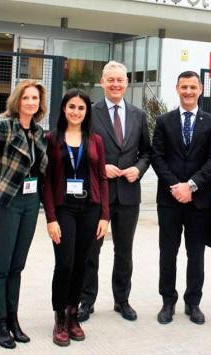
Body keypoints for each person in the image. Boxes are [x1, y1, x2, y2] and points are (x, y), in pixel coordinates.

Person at [78, 61, 151, 323]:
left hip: (129, 195)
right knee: (91, 250)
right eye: (111, 80)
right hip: (98, 195)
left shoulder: (138, 114)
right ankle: (86, 301)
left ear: (127, 82)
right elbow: (81, 148)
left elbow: (147, 152)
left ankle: (122, 300)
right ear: (102, 81)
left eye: (120, 80)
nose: (116, 84)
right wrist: (99, 167)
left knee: (124, 251)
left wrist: (138, 169)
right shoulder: (90, 112)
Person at [0, 79, 48, 349]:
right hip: (7, 201)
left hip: (31, 203)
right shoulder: (2, 128)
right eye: (26, 98)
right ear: (17, 100)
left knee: (17, 265)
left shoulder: (39, 133)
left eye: (35, 99)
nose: (31, 102)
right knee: (2, 265)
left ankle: (13, 318)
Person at [151, 70, 211, 325]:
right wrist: (176, 186)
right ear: (177, 88)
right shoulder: (163, 121)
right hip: (169, 200)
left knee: (196, 254)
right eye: (184, 87)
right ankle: (167, 302)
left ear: (200, 89)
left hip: (198, 201)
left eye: (193, 87)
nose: (189, 91)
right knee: (167, 253)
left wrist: (191, 185)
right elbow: (157, 157)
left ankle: (193, 303)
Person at [42, 89, 110, 346]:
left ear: (86, 112)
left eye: (81, 108)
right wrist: (50, 218)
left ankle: (73, 315)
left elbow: (102, 178)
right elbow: (46, 181)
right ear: (63, 109)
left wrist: (104, 215)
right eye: (71, 106)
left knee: (82, 262)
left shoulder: (95, 140)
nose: (76, 112)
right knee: (65, 264)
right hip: (64, 209)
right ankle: (60, 317)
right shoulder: (52, 138)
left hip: (90, 208)